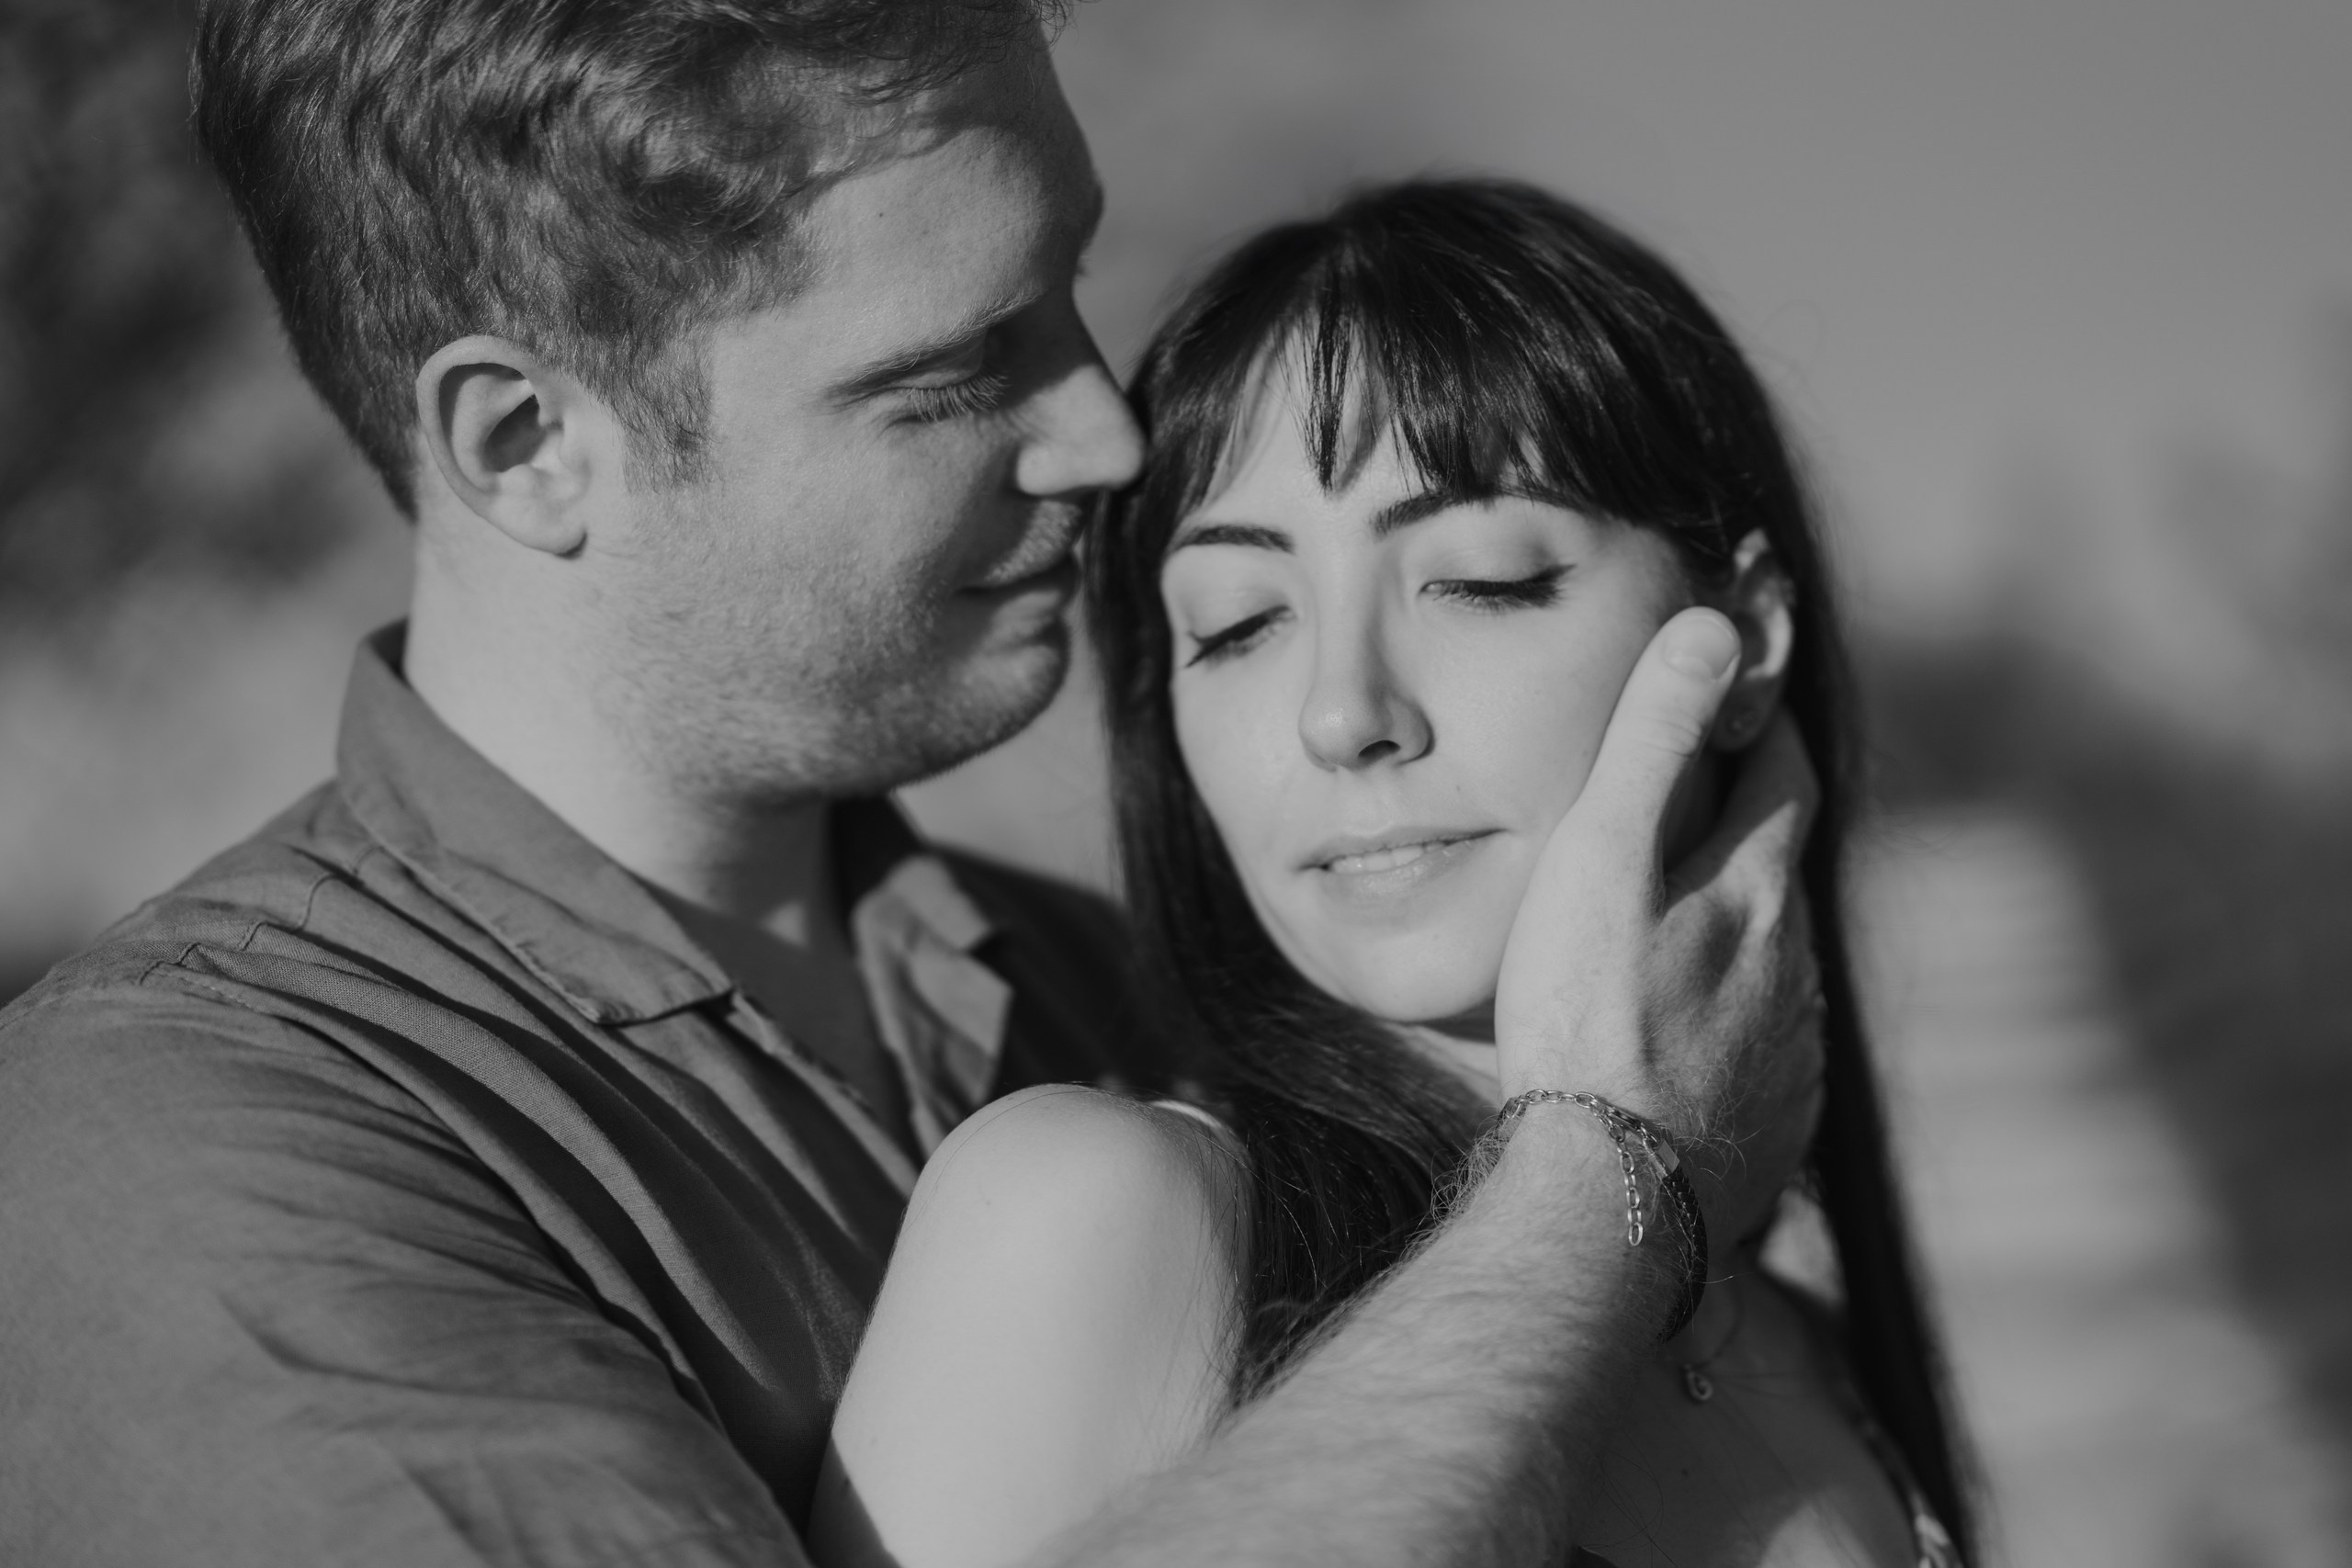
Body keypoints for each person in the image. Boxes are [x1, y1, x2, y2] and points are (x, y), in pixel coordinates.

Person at [0, 5, 1823, 1565]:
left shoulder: (1131, 987)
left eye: (1070, 287)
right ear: (530, 441)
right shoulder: (175, 1149)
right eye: (958, 370)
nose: (1106, 434)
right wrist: (1598, 1179)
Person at [810, 181, 1973, 1568]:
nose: (1341, 711)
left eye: (1480, 580)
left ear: (1750, 640)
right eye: (1238, 623)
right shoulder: (1099, 1212)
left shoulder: (1783, 1314)